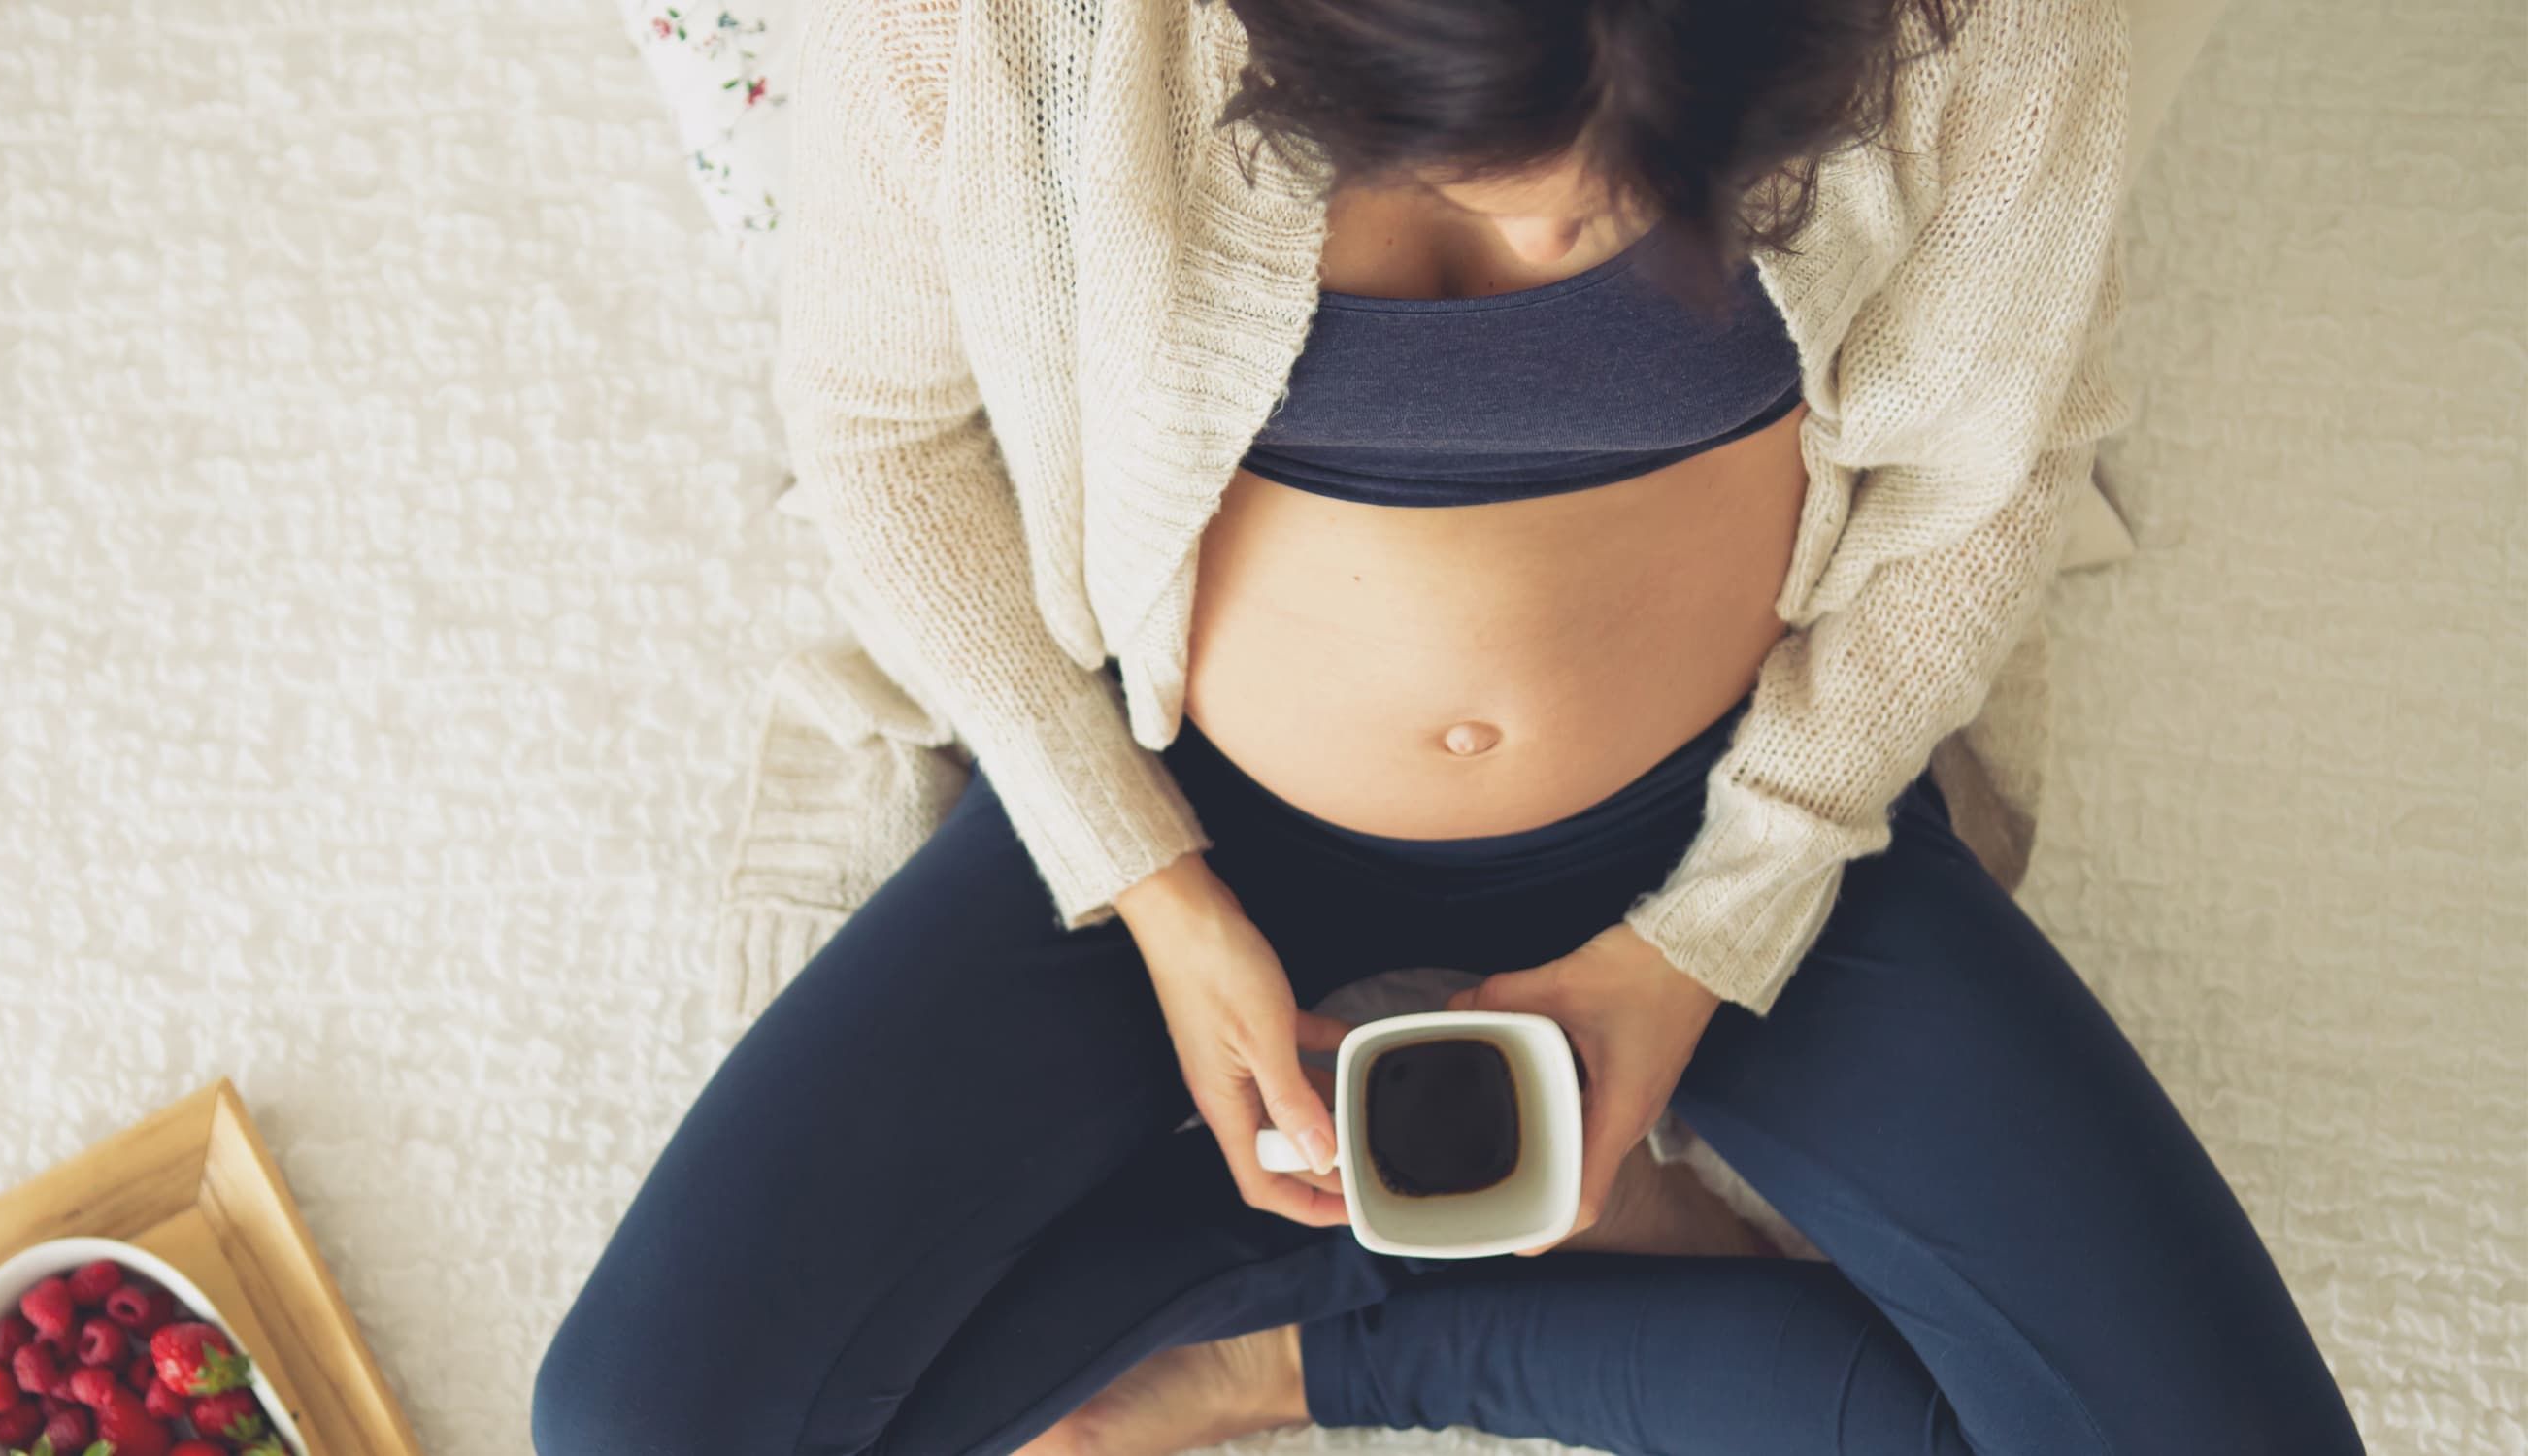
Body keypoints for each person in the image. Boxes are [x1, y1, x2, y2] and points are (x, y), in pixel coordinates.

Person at [533, 0, 2368, 1448]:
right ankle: (1368, 1252)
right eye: (1490, 162)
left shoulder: (1967, 23)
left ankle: (1339, 1351)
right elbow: (881, 437)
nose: (1575, 224)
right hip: (1193, 809)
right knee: (632, 1424)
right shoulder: (1017, 23)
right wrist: (1147, 885)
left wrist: (1710, 935)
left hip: (1737, 817)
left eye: (1665, 166)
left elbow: (1990, 489)